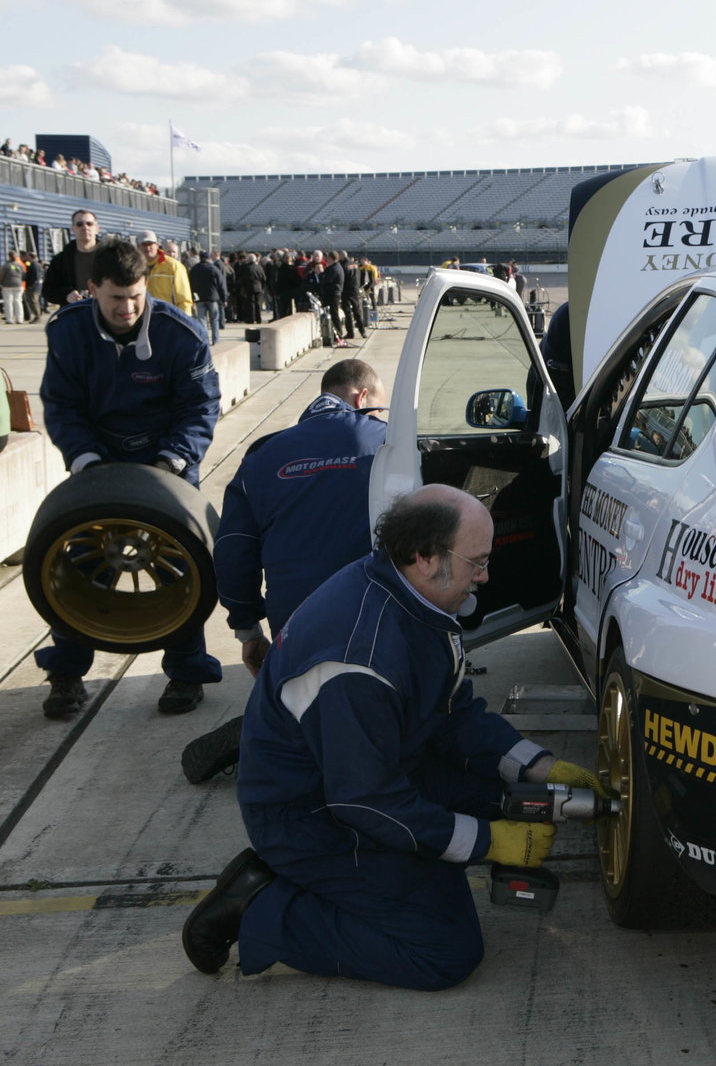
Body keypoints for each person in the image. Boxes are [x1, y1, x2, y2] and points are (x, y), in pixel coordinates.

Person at [181, 485, 609, 991]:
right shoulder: (358, 660)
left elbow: (452, 711)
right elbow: (367, 803)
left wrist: (539, 767)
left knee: (516, 799)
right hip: (312, 817)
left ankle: (405, 867)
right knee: (445, 951)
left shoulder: (404, 594)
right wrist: (490, 842)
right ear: (426, 557)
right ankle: (261, 907)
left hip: (372, 768)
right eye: (478, 562)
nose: (485, 576)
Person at [36, 241, 222, 719]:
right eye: (116, 297)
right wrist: (84, 460)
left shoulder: (182, 334)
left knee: (183, 566)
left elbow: (200, 406)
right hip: (97, 456)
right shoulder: (68, 331)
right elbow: (61, 405)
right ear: (93, 289)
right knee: (71, 563)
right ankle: (66, 673)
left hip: (166, 458)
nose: (127, 308)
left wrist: (171, 461)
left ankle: (186, 671)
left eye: (135, 296)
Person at [181, 359, 390, 785]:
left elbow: (234, 550)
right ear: (362, 397)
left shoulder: (264, 454)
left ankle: (277, 723)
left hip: (294, 622)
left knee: (306, 689)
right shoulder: (391, 444)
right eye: (378, 408)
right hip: (377, 611)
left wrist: (246, 629)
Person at [41, 209, 100, 309]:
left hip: (106, 315)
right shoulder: (60, 260)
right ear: (73, 229)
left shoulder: (111, 256)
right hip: (73, 314)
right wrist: (67, 295)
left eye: (89, 224)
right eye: (79, 224)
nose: (85, 227)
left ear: (97, 228)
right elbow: (47, 291)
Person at [137, 231, 195, 317]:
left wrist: (184, 320)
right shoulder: (134, 267)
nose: (147, 247)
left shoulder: (173, 266)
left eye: (150, 244)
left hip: (168, 317)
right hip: (143, 318)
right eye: (144, 244)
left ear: (157, 245)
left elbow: (183, 299)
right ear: (138, 247)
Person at [188, 250, 227, 345]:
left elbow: (190, 284)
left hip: (199, 298)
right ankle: (215, 340)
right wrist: (224, 298)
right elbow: (221, 285)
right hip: (213, 298)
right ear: (209, 258)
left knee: (202, 320)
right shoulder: (214, 269)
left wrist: (193, 298)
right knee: (214, 319)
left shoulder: (194, 269)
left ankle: (204, 340)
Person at [1, 251, 23, 324]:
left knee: (8, 302)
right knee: (18, 301)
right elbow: (23, 274)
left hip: (7, 285)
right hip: (18, 285)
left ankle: (9, 319)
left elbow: (1, 275)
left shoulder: (6, 265)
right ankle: (19, 319)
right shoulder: (19, 265)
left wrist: (1, 283)